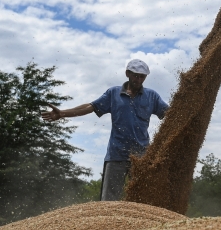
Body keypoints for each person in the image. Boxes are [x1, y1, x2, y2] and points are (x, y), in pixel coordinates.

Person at [41, 59, 168, 201]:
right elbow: (90, 107)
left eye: (142, 76)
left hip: (142, 157)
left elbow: (171, 114)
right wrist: (63, 113)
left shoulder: (152, 96)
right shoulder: (113, 94)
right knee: (109, 201)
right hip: (116, 156)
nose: (138, 79)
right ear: (127, 73)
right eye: (135, 75)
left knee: (143, 201)